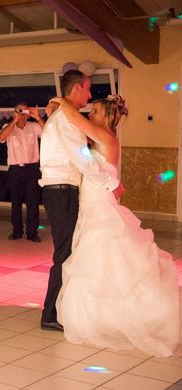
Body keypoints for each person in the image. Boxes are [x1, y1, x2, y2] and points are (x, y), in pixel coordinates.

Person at [49, 95, 180, 356]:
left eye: (96, 111)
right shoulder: (99, 138)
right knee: (96, 258)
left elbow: (75, 120)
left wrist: (62, 101)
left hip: (99, 202)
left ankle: (117, 319)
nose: (91, 114)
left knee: (102, 255)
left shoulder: (107, 137)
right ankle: (102, 318)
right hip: (93, 200)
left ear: (109, 116)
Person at [39, 70, 116, 331]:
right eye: (88, 88)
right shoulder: (66, 119)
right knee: (64, 251)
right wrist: (110, 182)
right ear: (76, 90)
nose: (91, 94)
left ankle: (58, 308)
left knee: (67, 250)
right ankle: (50, 314)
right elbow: (82, 158)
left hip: (62, 189)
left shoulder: (65, 116)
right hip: (61, 190)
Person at [0, 103, 45, 242]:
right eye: (19, 111)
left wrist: (37, 118)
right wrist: (14, 121)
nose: (22, 114)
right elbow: (1, 138)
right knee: (16, 201)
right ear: (14, 112)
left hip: (32, 169)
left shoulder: (33, 127)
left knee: (33, 201)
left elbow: (49, 132)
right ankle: (17, 231)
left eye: (24, 111)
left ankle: (32, 233)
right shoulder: (8, 126)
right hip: (15, 169)